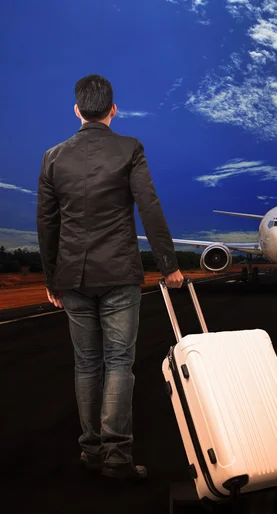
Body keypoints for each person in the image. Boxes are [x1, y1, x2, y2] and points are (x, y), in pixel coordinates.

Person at [36, 74, 183, 481]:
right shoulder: (130, 149)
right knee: (119, 362)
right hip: (119, 272)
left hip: (73, 277)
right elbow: (149, 207)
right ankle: (118, 456)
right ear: (113, 110)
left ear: (77, 110)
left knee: (86, 364)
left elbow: (46, 225)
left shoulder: (52, 157)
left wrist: (51, 280)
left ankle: (90, 450)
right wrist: (168, 264)